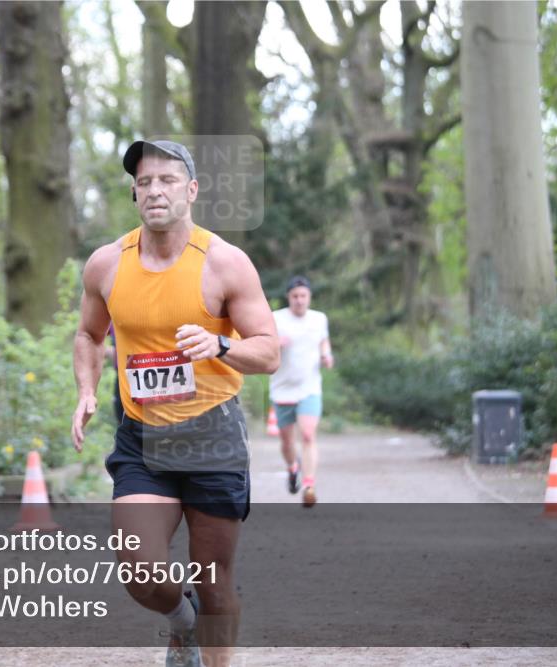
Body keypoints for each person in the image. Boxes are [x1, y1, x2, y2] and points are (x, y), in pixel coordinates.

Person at [71, 139, 279, 667]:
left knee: (215, 583)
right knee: (139, 570)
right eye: (144, 182)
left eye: (166, 180)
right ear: (135, 194)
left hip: (212, 434)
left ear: (190, 190)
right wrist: (87, 390)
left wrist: (222, 344)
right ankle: (181, 624)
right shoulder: (106, 265)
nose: (154, 190)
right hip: (143, 437)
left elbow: (269, 351)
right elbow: (90, 336)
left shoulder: (225, 262)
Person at [269, 275, 333, 508]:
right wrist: (276, 344)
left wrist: (327, 355)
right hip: (282, 389)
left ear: (309, 297)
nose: (299, 300)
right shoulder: (276, 319)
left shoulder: (319, 319)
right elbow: (263, 347)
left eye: (303, 296)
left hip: (309, 387)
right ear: (289, 297)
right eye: (295, 296)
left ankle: (309, 485)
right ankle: (292, 468)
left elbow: (323, 341)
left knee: (307, 435)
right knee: (287, 442)